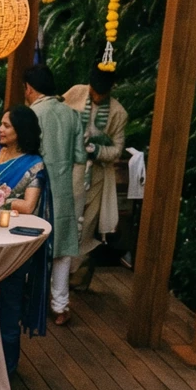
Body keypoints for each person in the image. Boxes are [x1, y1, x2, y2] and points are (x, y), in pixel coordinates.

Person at [0, 105, 52, 380]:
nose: (0, 130)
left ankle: (6, 372)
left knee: (8, 304)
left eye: (7, 126)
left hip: (12, 242)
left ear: (21, 131)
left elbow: (29, 205)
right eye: (1, 124)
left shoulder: (34, 164)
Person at [23, 63, 86, 326]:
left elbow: (24, 150)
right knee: (62, 248)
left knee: (28, 241)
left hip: (35, 186)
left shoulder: (32, 113)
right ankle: (60, 306)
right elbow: (81, 156)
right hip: (64, 189)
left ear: (30, 88)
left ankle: (29, 299)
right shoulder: (72, 115)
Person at [63, 65, 128, 287]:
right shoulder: (75, 93)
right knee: (65, 219)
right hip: (67, 170)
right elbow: (59, 117)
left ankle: (74, 274)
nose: (98, 97)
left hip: (96, 176)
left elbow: (117, 150)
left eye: (103, 93)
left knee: (85, 227)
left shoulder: (118, 113)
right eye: (94, 92)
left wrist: (96, 150)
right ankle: (57, 273)